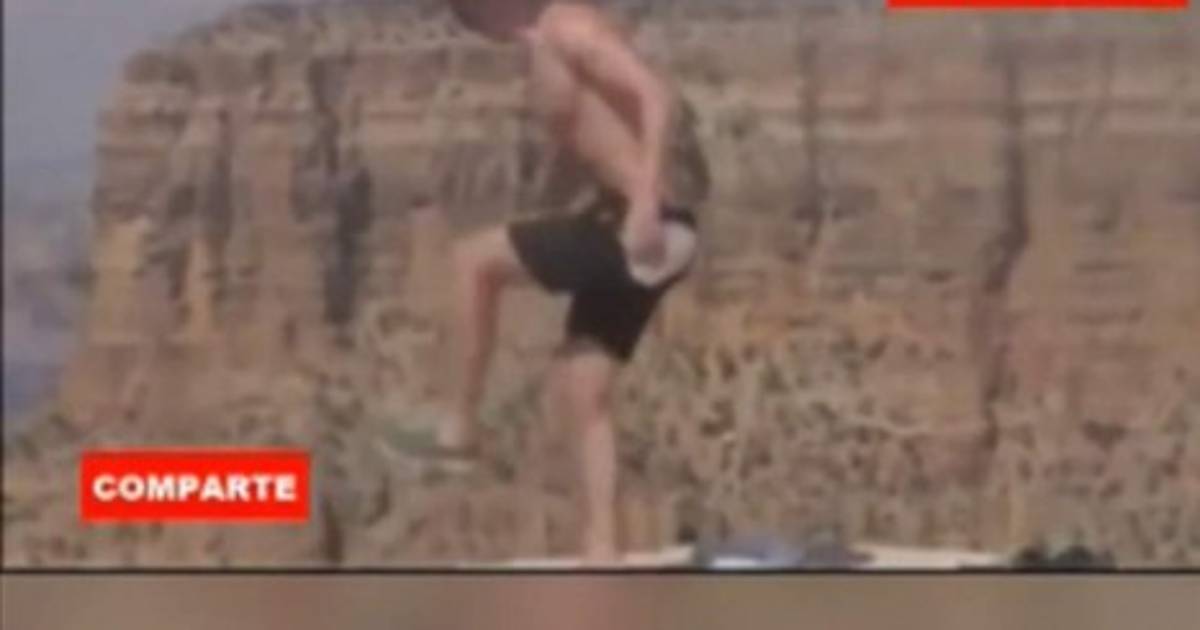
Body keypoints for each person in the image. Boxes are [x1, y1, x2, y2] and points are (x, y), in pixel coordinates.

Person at [399, 0, 710, 565]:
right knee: (584, 388)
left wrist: (644, 202)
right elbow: (598, 136)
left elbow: (654, 94)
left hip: (643, 224)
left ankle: (459, 428)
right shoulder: (543, 41)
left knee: (472, 262)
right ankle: (602, 549)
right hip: (640, 224)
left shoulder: (567, 26)